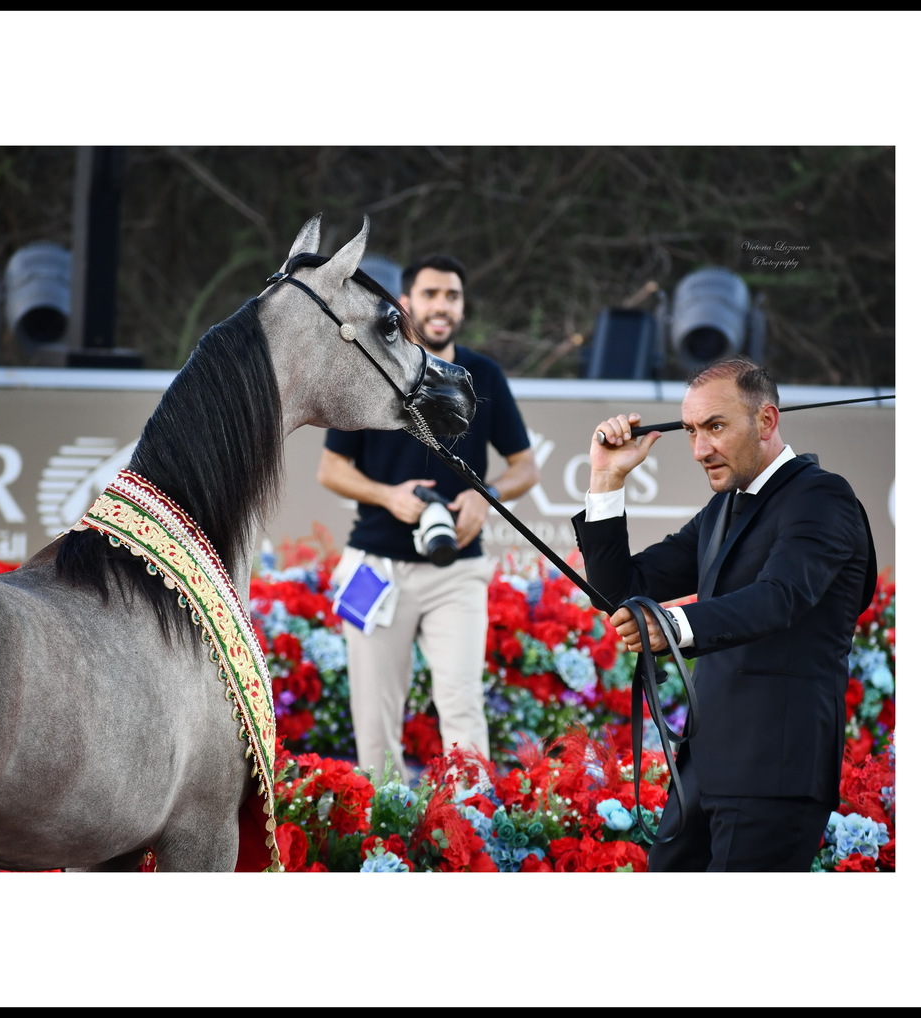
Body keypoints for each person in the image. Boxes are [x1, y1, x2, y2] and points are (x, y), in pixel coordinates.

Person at [572, 356, 876, 871]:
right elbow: (622, 589)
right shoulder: (723, 509)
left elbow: (780, 596)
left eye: (715, 427)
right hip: (702, 771)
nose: (699, 449)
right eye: (690, 431)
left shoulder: (823, 496)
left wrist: (672, 626)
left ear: (766, 421)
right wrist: (606, 479)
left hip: (774, 773)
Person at [318, 253, 539, 783]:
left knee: (462, 706)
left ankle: (470, 829)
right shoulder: (368, 366)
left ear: (462, 307)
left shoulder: (482, 374)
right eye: (431, 294)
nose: (442, 306)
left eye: (453, 296)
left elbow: (525, 467)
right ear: (405, 303)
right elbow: (330, 469)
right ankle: (381, 835)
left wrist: (486, 495)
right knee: (374, 718)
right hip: (376, 567)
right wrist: (387, 496)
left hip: (456, 570)